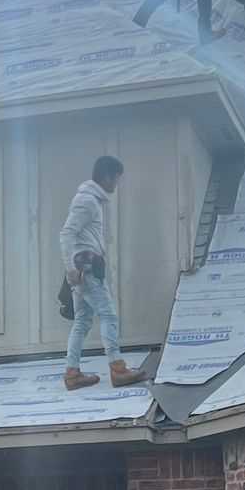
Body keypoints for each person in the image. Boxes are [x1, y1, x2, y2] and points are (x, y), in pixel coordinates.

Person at [60, 155, 145, 391]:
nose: (117, 184)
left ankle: (72, 372)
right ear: (107, 177)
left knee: (82, 321)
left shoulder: (92, 200)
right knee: (108, 316)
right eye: (116, 179)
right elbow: (66, 234)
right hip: (86, 270)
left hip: (82, 270)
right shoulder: (87, 201)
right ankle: (117, 369)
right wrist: (70, 269)